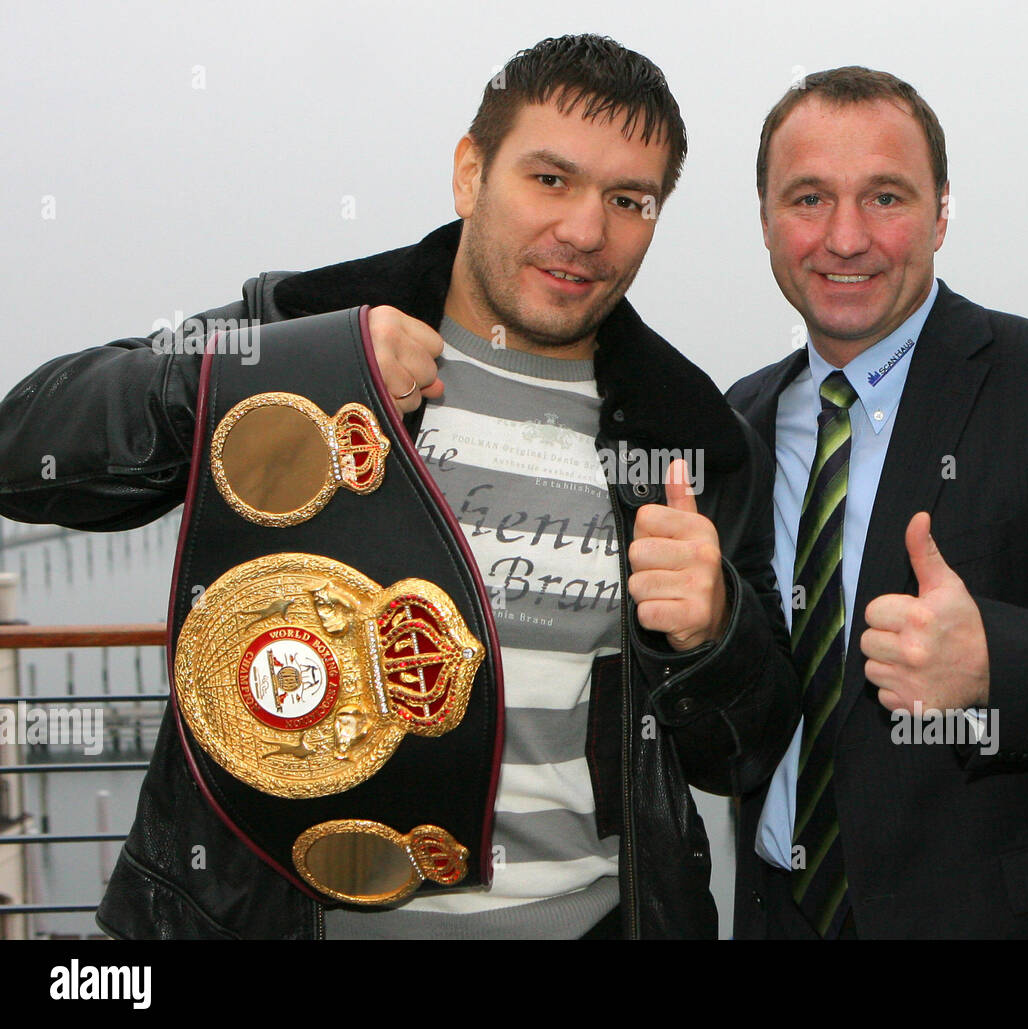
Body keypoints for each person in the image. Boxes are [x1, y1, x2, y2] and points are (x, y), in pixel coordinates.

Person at [0, 34, 799, 940]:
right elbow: (26, 453)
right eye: (550, 179)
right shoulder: (307, 332)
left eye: (629, 200)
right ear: (470, 173)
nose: (586, 230)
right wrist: (278, 377)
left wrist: (714, 632)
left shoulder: (689, 435)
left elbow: (746, 750)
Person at [726, 67, 1028, 939]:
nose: (846, 237)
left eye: (885, 197)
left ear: (942, 212)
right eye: (808, 198)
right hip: (782, 915)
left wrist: (997, 665)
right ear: (764, 219)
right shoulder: (742, 419)